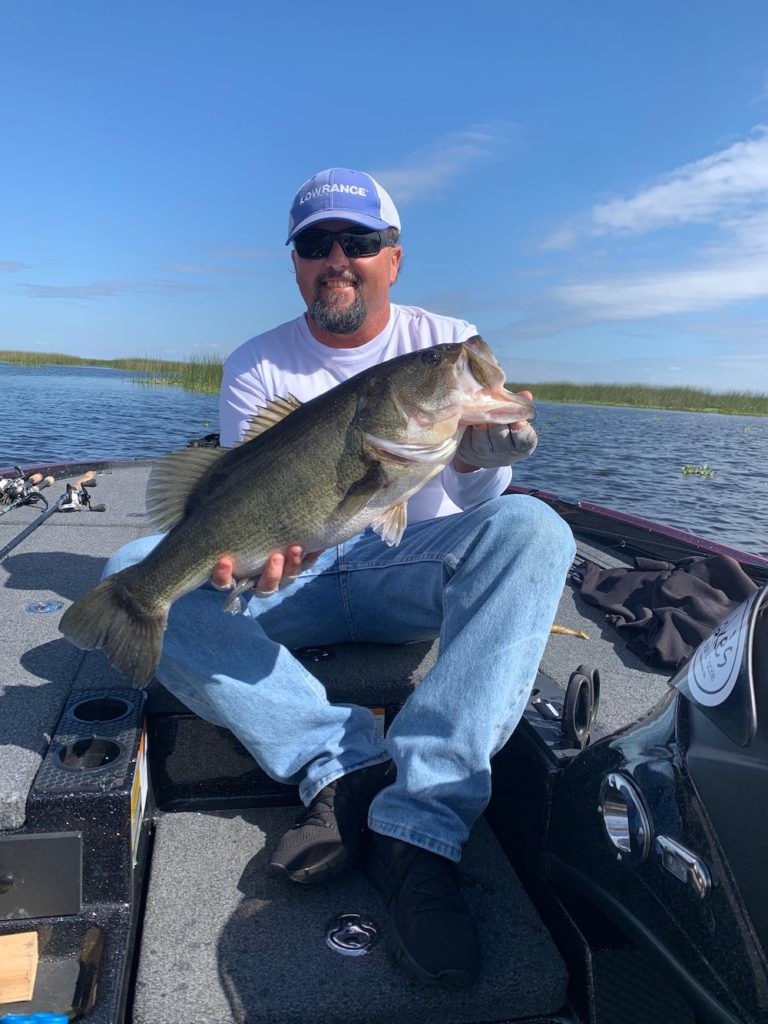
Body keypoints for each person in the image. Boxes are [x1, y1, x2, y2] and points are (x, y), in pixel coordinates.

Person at [104, 168, 576, 989]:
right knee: (128, 572)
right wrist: (258, 560)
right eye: (317, 244)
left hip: (406, 566)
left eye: (359, 243)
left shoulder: (445, 339)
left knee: (535, 527)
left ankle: (419, 824)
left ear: (393, 258)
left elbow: (472, 502)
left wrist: (478, 458)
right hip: (293, 579)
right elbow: (237, 506)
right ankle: (344, 765)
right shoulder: (256, 364)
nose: (338, 259)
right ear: (295, 262)